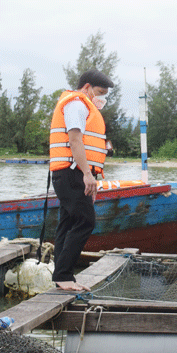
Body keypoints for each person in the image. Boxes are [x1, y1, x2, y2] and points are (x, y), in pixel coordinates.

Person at [49, 69, 114, 291]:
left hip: (71, 172)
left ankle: (61, 277)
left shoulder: (82, 105)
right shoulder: (77, 104)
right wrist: (87, 175)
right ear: (86, 87)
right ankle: (64, 275)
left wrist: (90, 175)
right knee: (85, 221)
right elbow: (75, 141)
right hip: (71, 172)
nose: (101, 98)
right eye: (99, 92)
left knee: (67, 223)